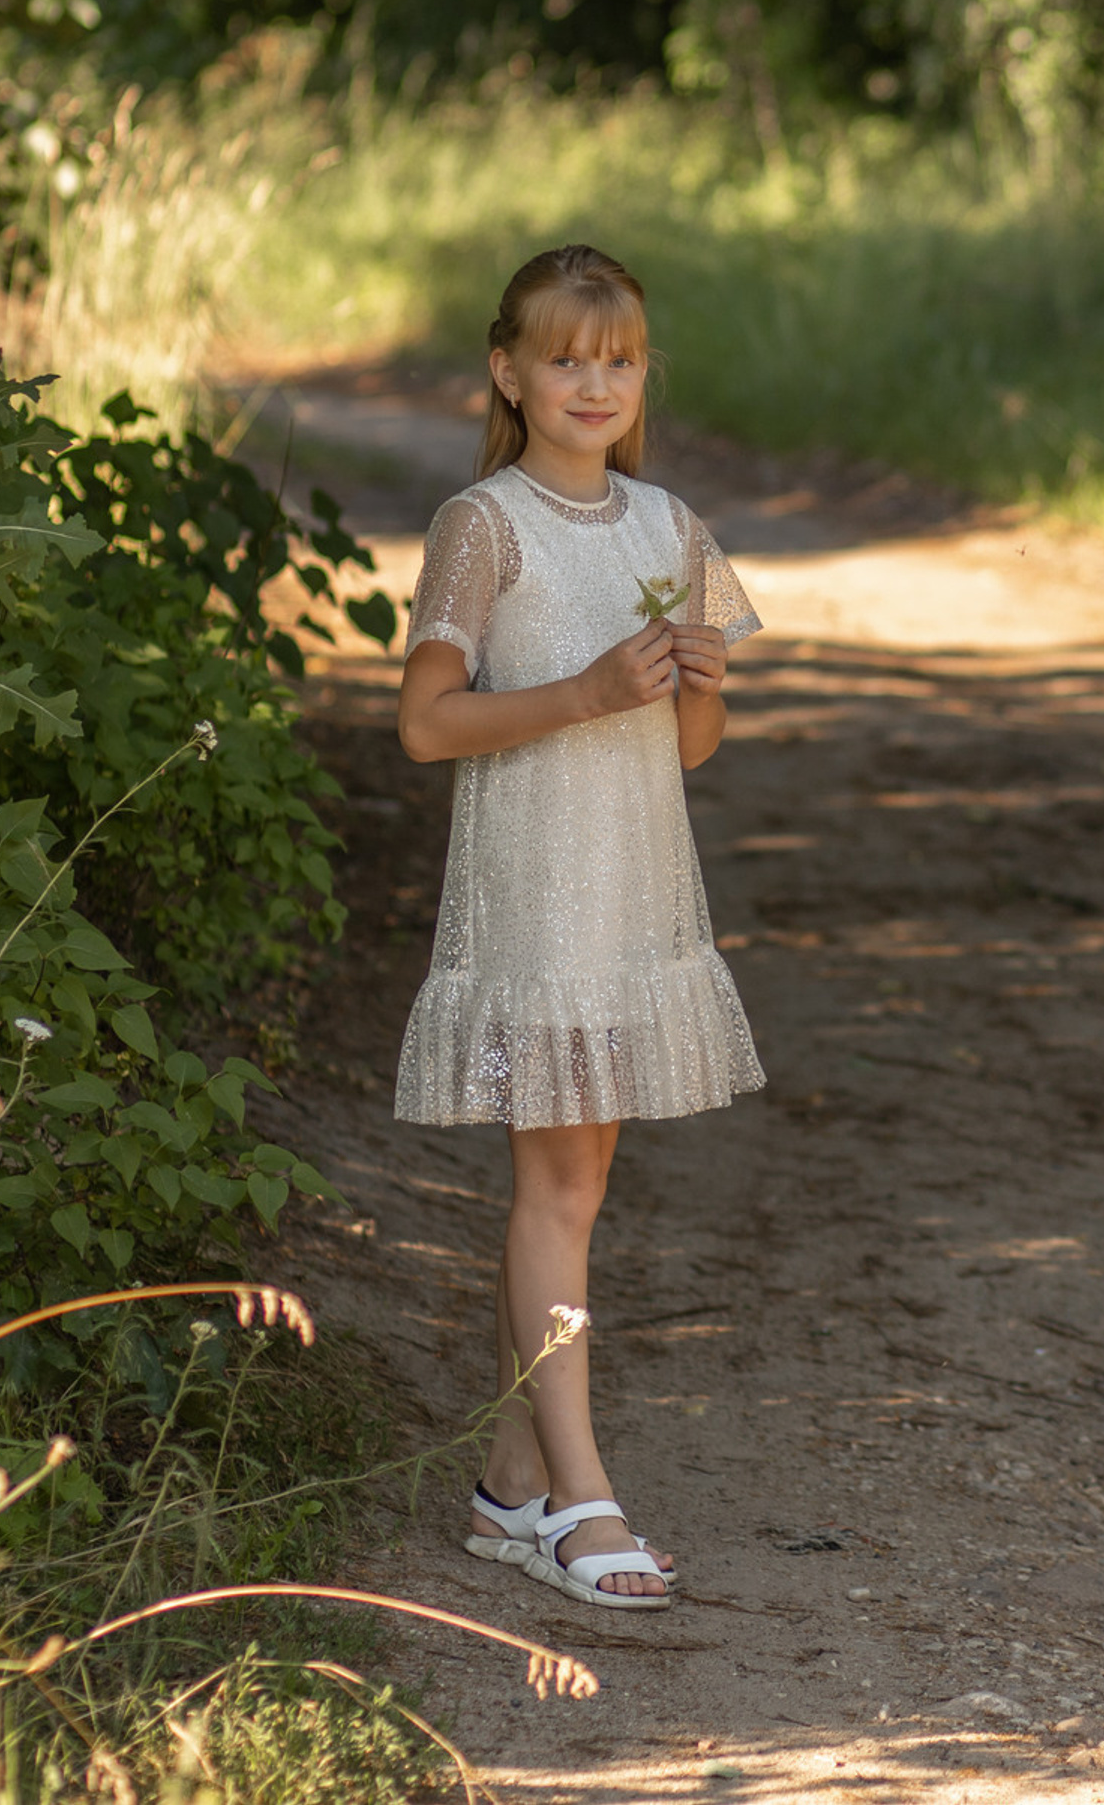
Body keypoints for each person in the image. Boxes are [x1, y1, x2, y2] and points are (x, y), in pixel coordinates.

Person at [392, 242, 764, 1610]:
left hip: (632, 895)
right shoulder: (483, 527)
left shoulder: (671, 530)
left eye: (619, 361)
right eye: (566, 358)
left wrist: (696, 685)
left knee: (576, 1194)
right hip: (533, 902)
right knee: (557, 1193)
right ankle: (583, 1499)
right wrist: (591, 687)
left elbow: (693, 747)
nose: (595, 383)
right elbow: (427, 722)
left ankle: (508, 1488)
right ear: (510, 371)